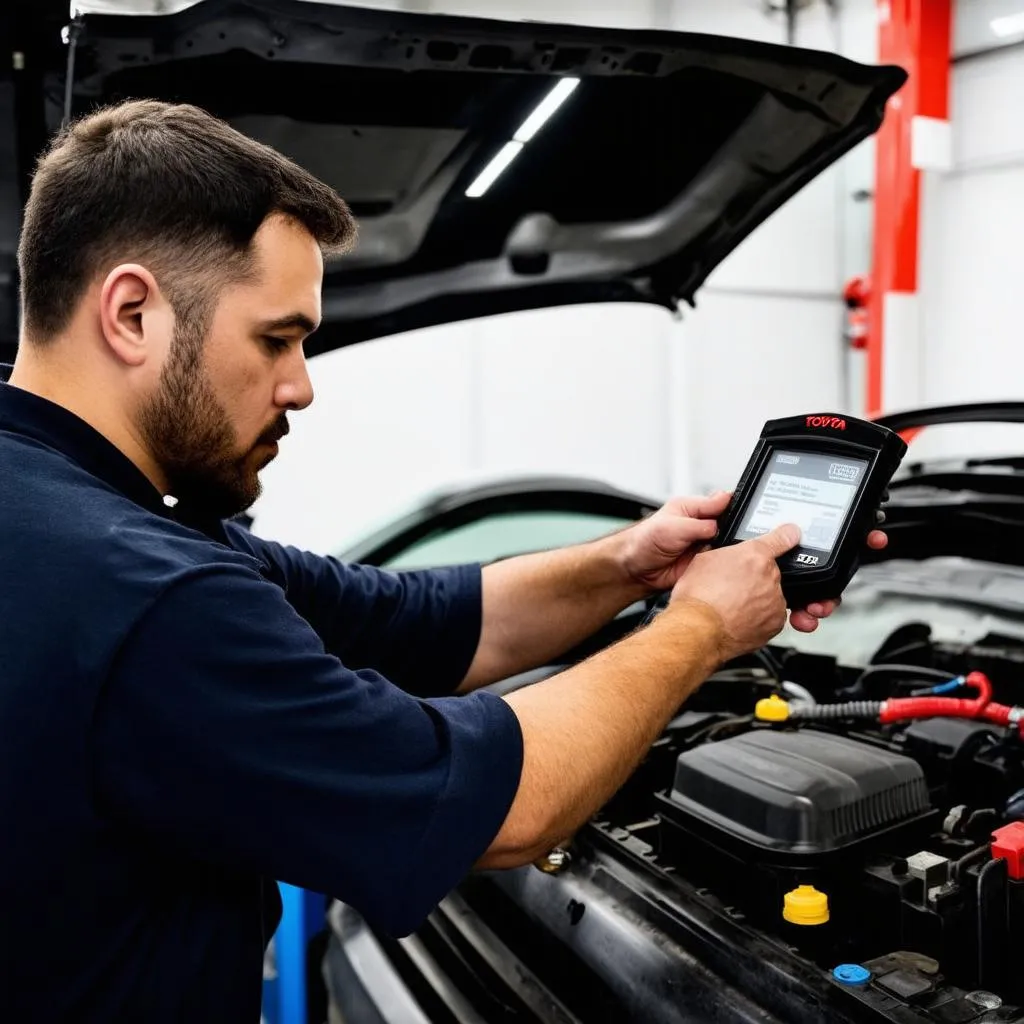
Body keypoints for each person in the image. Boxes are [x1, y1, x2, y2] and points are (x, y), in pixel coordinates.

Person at [0, 100, 885, 1023]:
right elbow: (506, 810)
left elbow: (422, 619)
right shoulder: (152, 596)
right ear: (133, 312)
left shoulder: (90, 518)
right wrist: (701, 629)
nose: (302, 383)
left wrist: (633, 562)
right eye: (278, 337)